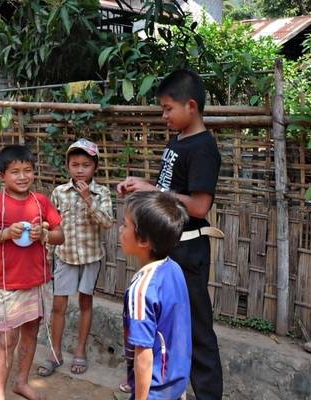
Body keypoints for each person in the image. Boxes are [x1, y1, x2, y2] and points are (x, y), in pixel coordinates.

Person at [117, 69, 223, 399]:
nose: (164, 115)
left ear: (191, 106)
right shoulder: (178, 140)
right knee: (164, 322)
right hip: (170, 248)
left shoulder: (204, 148)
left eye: (168, 108)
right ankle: (152, 383)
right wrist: (142, 190)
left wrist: (153, 189)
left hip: (188, 252)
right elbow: (169, 188)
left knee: (197, 330)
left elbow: (200, 206)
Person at [0, 144, 64, 400]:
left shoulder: (41, 202)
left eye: (28, 170)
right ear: (3, 175)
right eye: (15, 171)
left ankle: (21, 382)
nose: (22, 176)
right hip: (11, 283)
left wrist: (44, 234)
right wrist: (5, 233)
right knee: (7, 339)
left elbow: (61, 236)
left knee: (31, 333)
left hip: (39, 282)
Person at [37, 138, 113, 377]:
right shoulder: (59, 192)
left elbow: (107, 223)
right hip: (65, 256)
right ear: (68, 166)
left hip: (91, 257)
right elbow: (53, 226)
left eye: (86, 165)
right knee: (58, 305)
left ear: (95, 167)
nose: (80, 170)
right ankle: (55, 352)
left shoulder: (102, 192)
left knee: (85, 303)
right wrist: (47, 254)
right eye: (75, 165)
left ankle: (80, 350)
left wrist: (89, 199)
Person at [119, 191, 192, 400]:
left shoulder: (141, 290)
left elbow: (144, 356)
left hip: (154, 392)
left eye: (125, 224)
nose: (121, 230)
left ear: (143, 240)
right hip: (175, 385)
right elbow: (179, 331)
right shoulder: (174, 269)